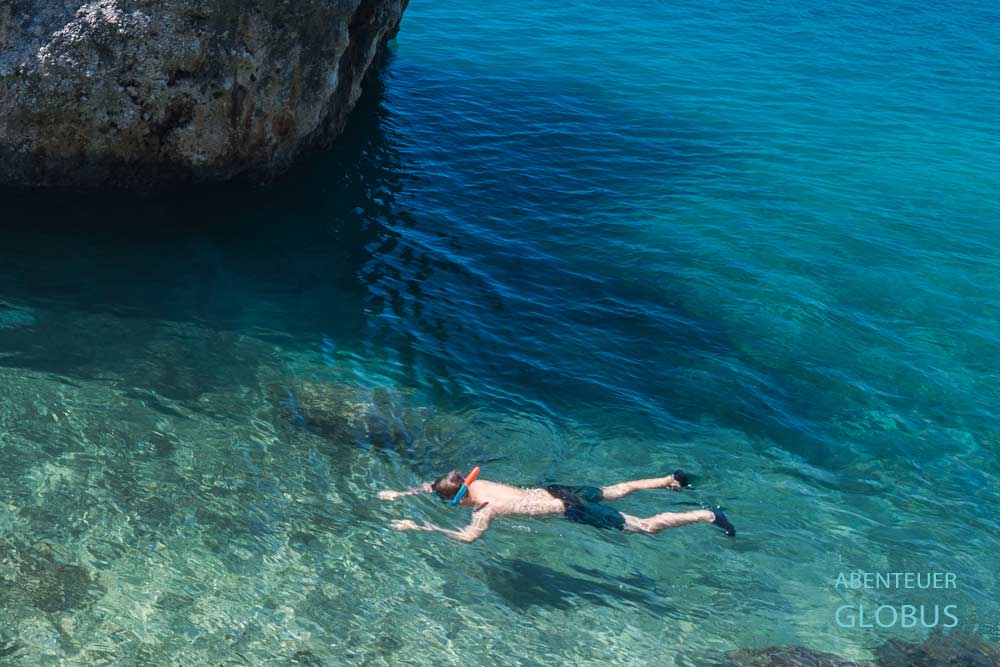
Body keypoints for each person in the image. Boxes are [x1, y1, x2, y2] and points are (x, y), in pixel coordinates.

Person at [380, 469, 735, 542]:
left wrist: (420, 526)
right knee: (618, 489)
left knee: (646, 527)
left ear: (461, 499)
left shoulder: (484, 509)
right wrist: (401, 493)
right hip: (558, 490)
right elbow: (434, 485)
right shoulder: (476, 483)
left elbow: (468, 538)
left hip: (571, 509)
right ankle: (671, 479)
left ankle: (707, 515)